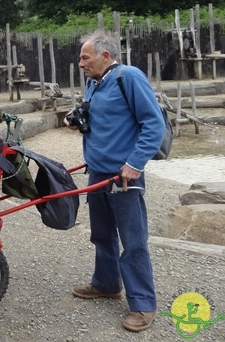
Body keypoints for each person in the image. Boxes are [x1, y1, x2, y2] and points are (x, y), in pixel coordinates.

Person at [65, 30, 164, 332]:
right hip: (97, 173)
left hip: (123, 177)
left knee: (133, 242)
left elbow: (154, 124)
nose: (80, 63)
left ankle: (143, 303)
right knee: (102, 234)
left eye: (85, 57)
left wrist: (134, 164)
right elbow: (93, 115)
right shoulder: (94, 84)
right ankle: (106, 283)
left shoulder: (129, 77)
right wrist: (77, 118)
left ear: (105, 56)